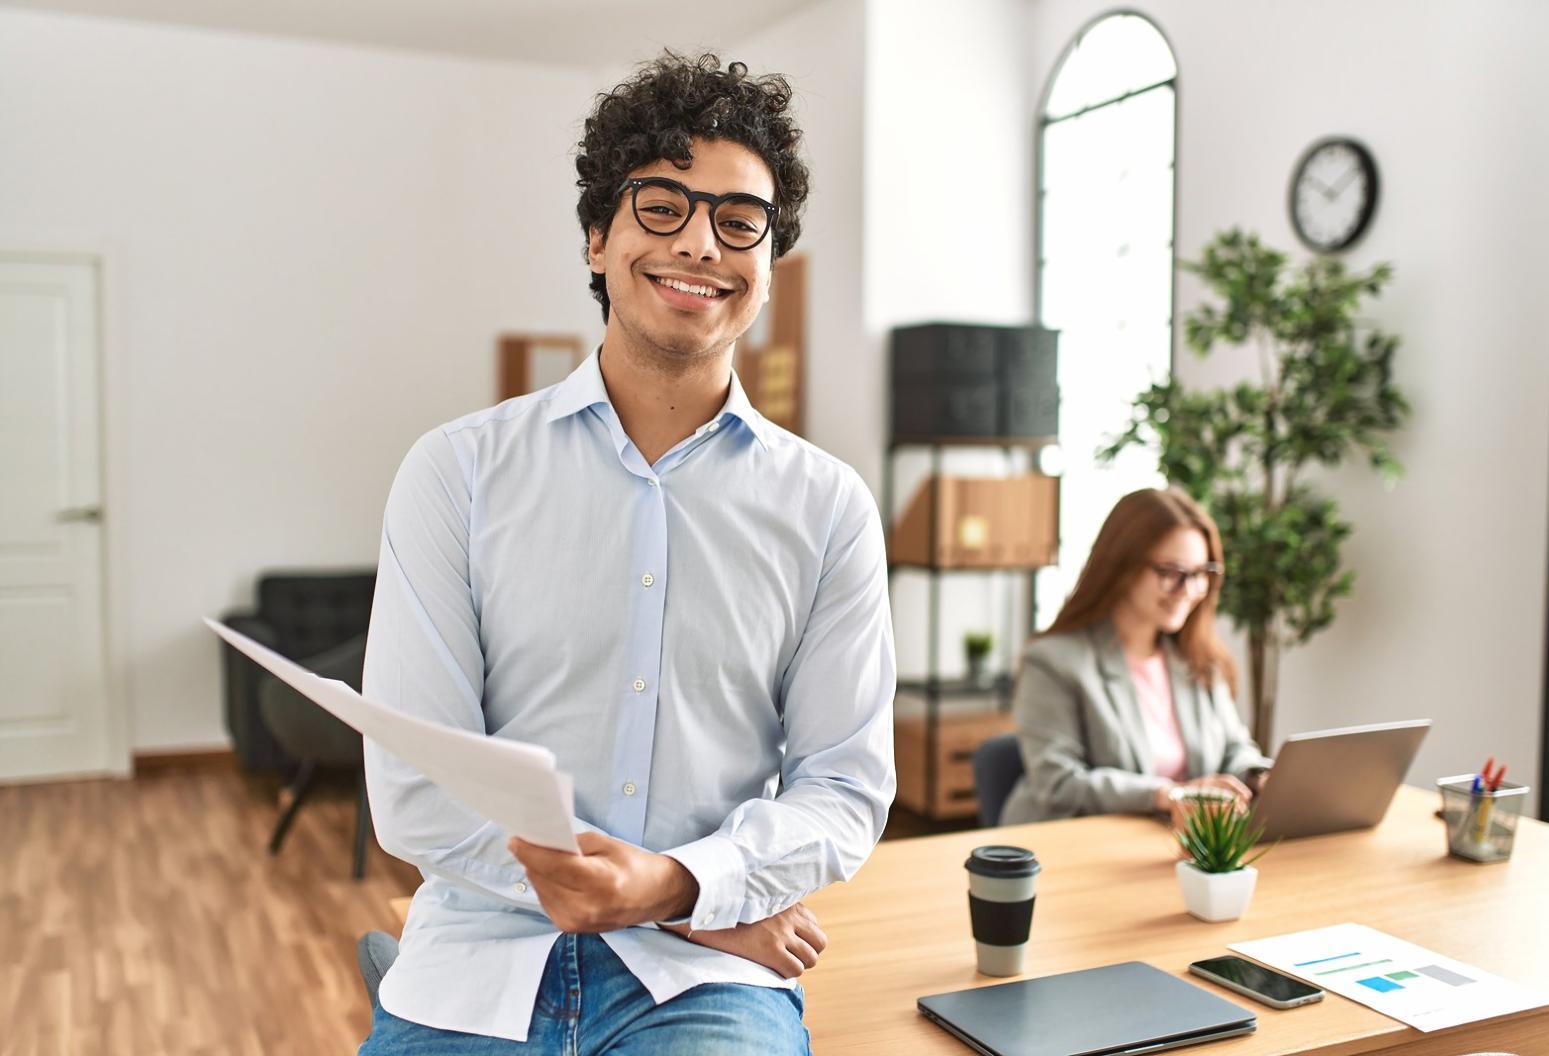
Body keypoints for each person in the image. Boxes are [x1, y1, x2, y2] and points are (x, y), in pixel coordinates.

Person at [357, 53, 895, 1055]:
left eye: (740, 220)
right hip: (477, 965)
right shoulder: (456, 474)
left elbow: (844, 789)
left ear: (767, 267)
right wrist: (684, 899)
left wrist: (671, 892)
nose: (701, 241)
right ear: (597, 239)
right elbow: (417, 790)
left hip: (703, 988)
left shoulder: (827, 509)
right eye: (662, 205)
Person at [999, 488, 1268, 826]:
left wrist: (1260, 776)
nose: (1189, 590)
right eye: (1171, 572)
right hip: (1071, 848)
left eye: (1201, 574)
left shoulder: (1197, 658)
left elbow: (1233, 749)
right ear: (1122, 567)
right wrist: (1166, 795)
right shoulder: (1053, 661)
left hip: (1176, 846)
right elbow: (1059, 785)